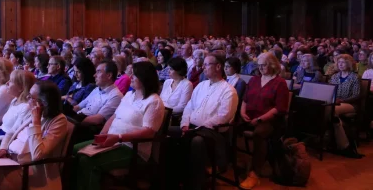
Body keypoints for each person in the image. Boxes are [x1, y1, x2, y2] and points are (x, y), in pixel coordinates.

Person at [73, 61, 165, 190]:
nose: (130, 77)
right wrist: (102, 135)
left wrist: (118, 137)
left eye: (134, 75)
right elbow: (114, 117)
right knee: (74, 150)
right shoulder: (129, 95)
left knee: (87, 160)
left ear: (145, 77)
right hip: (113, 141)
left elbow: (148, 132)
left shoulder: (154, 101)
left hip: (132, 149)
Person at [172, 54, 238, 190]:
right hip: (191, 127)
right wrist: (184, 124)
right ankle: (173, 178)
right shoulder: (201, 86)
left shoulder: (229, 91)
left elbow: (223, 117)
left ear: (218, 67)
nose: (203, 67)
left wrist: (197, 128)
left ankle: (195, 185)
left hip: (213, 133)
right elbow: (189, 107)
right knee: (168, 132)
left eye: (207, 64)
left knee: (197, 140)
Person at [239, 52, 290, 189]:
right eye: (259, 65)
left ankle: (255, 173)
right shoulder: (254, 80)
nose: (260, 68)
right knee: (228, 124)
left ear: (273, 65)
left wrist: (260, 119)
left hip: (271, 120)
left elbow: (280, 108)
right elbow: (245, 99)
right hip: (249, 115)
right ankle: (223, 163)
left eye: (264, 65)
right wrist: (242, 112)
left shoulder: (280, 83)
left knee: (259, 133)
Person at [329, 54, 362, 158]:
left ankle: (344, 145)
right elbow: (330, 90)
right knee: (328, 110)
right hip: (336, 102)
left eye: (343, 62)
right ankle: (343, 142)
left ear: (349, 64)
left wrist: (342, 100)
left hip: (350, 104)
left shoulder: (354, 77)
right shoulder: (334, 76)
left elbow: (356, 95)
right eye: (339, 62)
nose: (340, 64)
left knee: (332, 111)